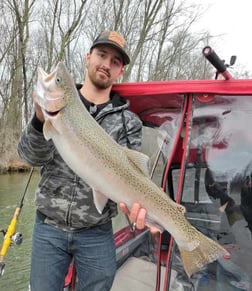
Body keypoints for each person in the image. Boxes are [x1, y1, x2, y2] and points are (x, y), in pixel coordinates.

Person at [18, 31, 147, 291]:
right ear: (88, 57)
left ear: (120, 71)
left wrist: (138, 209)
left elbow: (133, 178)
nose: (106, 64)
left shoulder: (128, 122)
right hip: (49, 227)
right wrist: (40, 120)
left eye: (115, 61)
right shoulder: (59, 108)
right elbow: (31, 157)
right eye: (101, 55)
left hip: (96, 231)